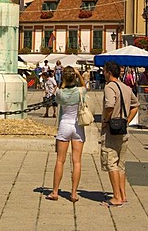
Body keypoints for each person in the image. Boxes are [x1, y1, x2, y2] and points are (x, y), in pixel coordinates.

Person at [100, 61, 139, 207]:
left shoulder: (110, 87)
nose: (103, 73)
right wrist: (127, 120)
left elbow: (109, 105)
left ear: (109, 72)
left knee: (111, 162)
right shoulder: (126, 87)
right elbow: (136, 105)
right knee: (121, 164)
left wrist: (105, 119)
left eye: (104, 71)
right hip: (123, 129)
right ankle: (123, 195)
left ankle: (116, 197)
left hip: (112, 130)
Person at [46, 66, 86, 201]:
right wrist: (79, 74)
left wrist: (63, 81)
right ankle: (74, 193)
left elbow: (58, 91)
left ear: (63, 78)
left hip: (64, 125)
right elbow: (84, 85)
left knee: (60, 160)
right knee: (77, 162)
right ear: (74, 77)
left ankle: (55, 191)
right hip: (77, 126)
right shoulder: (80, 92)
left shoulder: (60, 93)